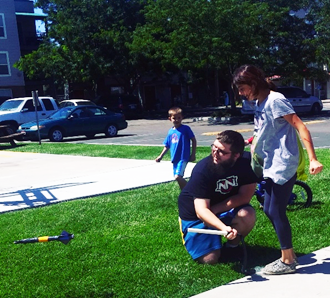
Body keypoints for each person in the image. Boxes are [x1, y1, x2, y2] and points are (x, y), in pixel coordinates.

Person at [233, 64, 323, 275]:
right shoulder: (259, 102)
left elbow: (300, 126)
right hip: (271, 162)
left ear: (253, 83)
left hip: (283, 163)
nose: (240, 93)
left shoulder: (276, 100)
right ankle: (288, 256)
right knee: (268, 209)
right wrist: (252, 140)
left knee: (275, 210)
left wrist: (313, 159)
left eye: (242, 87)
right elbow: (266, 129)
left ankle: (288, 260)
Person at [178, 130, 258, 264]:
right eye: (214, 147)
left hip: (219, 209)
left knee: (247, 214)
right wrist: (223, 228)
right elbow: (201, 211)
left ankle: (232, 246)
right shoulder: (203, 169)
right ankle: (205, 241)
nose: (215, 153)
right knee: (210, 259)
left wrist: (216, 211)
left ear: (236, 155)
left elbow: (245, 196)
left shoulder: (246, 162)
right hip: (195, 217)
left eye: (222, 151)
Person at [155, 107, 197, 189]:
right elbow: (167, 145)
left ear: (182, 118)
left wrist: (193, 154)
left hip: (183, 157)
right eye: (174, 118)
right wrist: (160, 156)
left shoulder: (185, 129)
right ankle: (184, 194)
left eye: (179, 118)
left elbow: (193, 140)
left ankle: (192, 190)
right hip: (175, 158)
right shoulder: (170, 131)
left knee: (178, 176)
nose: (177, 120)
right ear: (170, 119)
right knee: (178, 179)